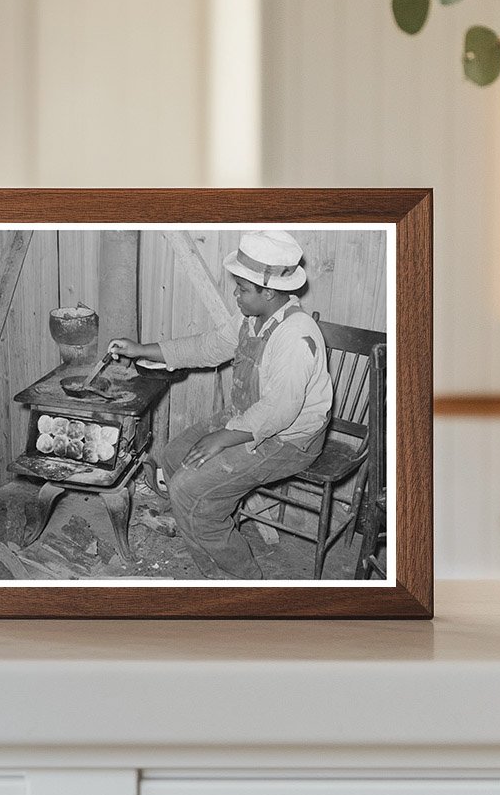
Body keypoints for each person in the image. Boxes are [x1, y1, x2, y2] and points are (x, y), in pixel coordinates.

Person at [109, 230, 332, 580]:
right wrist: (141, 349)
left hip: (289, 440)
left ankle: (243, 578)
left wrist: (223, 437)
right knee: (173, 457)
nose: (235, 294)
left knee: (188, 489)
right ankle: (196, 522)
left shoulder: (295, 336)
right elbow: (208, 347)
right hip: (248, 417)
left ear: (268, 292)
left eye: (242, 289)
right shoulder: (252, 319)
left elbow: (280, 410)